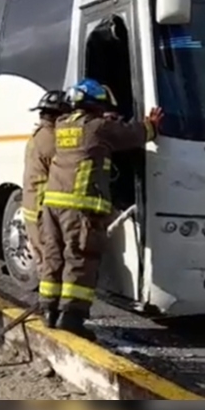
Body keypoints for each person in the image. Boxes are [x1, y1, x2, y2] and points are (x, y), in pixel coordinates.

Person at [39, 78, 163, 340]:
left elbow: (90, 130)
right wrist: (151, 124)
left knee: (54, 256)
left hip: (52, 205)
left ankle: (49, 311)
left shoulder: (62, 125)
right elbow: (135, 135)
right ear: (96, 104)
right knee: (80, 258)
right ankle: (72, 318)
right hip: (80, 207)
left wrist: (105, 119)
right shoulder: (101, 128)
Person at [21, 90, 70, 325]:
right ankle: (50, 310)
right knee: (51, 260)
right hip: (42, 208)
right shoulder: (51, 139)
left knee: (43, 258)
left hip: (32, 207)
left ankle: (48, 307)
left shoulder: (38, 135)